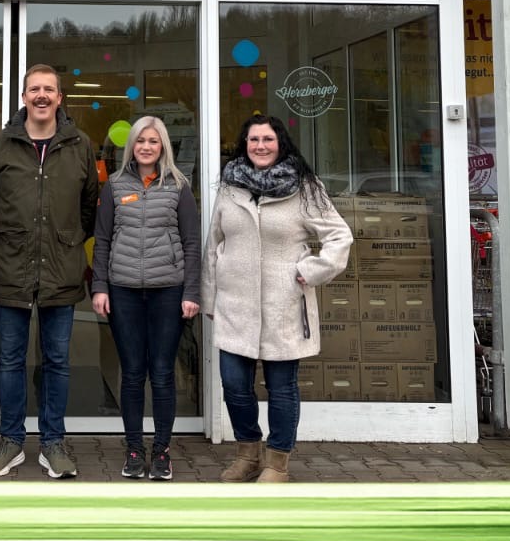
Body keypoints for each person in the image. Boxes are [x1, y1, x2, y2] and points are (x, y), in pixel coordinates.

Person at [202, 112, 351, 484]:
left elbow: (339, 237)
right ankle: (247, 454)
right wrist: (209, 296)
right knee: (234, 386)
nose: (260, 146)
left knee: (281, 388)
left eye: (267, 139)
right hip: (234, 305)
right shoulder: (230, 187)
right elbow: (213, 244)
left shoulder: (304, 187)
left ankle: (277, 463)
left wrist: (312, 270)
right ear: (245, 144)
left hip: (283, 305)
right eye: (254, 139)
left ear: (280, 143)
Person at [0, 63, 99, 479]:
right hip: (11, 268)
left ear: (60, 98)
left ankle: (53, 443)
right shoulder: (1, 144)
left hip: (62, 270)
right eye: (34, 89)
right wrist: (15, 235)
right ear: (24, 97)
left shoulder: (80, 145)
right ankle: (10, 441)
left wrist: (64, 238)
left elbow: (88, 207)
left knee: (57, 360)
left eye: (49, 89)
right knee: (9, 361)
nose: (41, 96)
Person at [90, 115, 200, 481]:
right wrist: (100, 286)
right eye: (140, 141)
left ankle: (162, 451)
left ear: (163, 145)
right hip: (123, 292)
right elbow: (102, 240)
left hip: (168, 291)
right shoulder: (115, 185)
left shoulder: (179, 186)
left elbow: (191, 242)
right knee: (133, 373)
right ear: (131, 146)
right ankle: (135, 449)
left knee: (163, 372)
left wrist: (191, 292)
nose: (146, 147)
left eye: (153, 141)